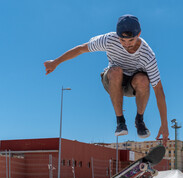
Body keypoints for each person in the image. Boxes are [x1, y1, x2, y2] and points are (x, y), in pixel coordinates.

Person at [44, 14, 169, 146]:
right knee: (116, 71)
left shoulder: (147, 55)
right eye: (122, 40)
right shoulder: (109, 40)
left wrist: (164, 124)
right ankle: (120, 121)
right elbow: (81, 49)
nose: (126, 45)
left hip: (133, 86)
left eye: (131, 40)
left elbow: (159, 90)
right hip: (112, 80)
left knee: (144, 79)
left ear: (139, 34)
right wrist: (56, 62)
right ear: (117, 35)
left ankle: (139, 120)